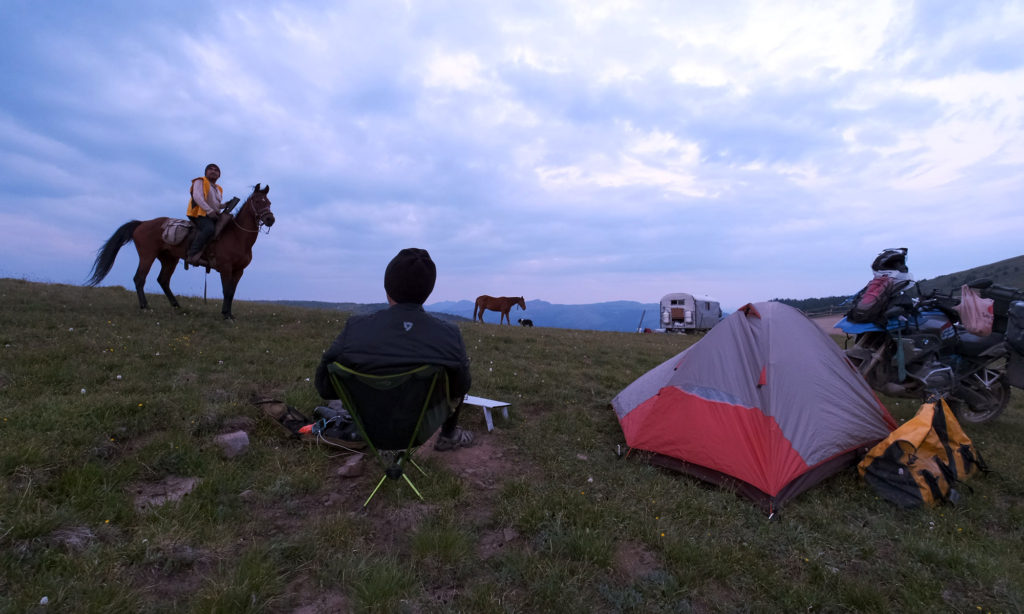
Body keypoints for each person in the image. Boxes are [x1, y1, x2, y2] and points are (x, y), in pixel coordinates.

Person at [314, 248, 476, 451]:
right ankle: (448, 435)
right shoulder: (449, 335)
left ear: (387, 286)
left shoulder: (355, 328)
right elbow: (462, 387)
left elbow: (325, 388)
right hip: (418, 431)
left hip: (367, 427)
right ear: (428, 291)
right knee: (458, 374)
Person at [185, 163, 224, 266]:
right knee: (209, 229)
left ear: (219, 175)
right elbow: (197, 197)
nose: (213, 171)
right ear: (205, 172)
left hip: (211, 214)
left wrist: (224, 205)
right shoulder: (200, 181)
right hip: (199, 213)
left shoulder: (219, 189)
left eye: (216, 170)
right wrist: (209, 211)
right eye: (210, 169)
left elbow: (215, 204)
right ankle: (192, 254)